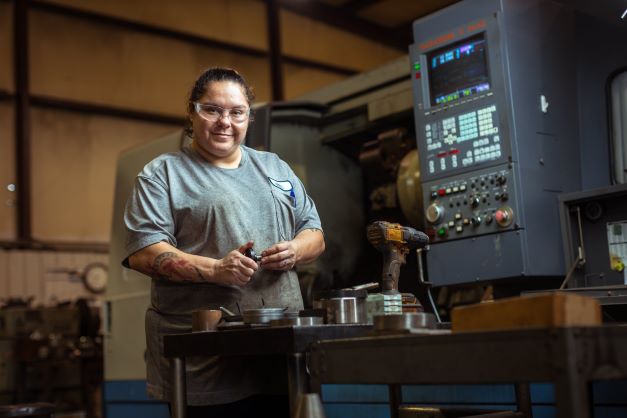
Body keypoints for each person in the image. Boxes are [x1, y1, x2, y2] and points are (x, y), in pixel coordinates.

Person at [122, 67, 325, 418]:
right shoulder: (163, 175)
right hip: (205, 361)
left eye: (236, 112)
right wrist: (216, 269)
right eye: (212, 109)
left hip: (280, 350)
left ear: (249, 117)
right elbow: (144, 252)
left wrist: (294, 251)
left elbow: (315, 233)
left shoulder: (274, 167)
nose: (224, 122)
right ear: (191, 112)